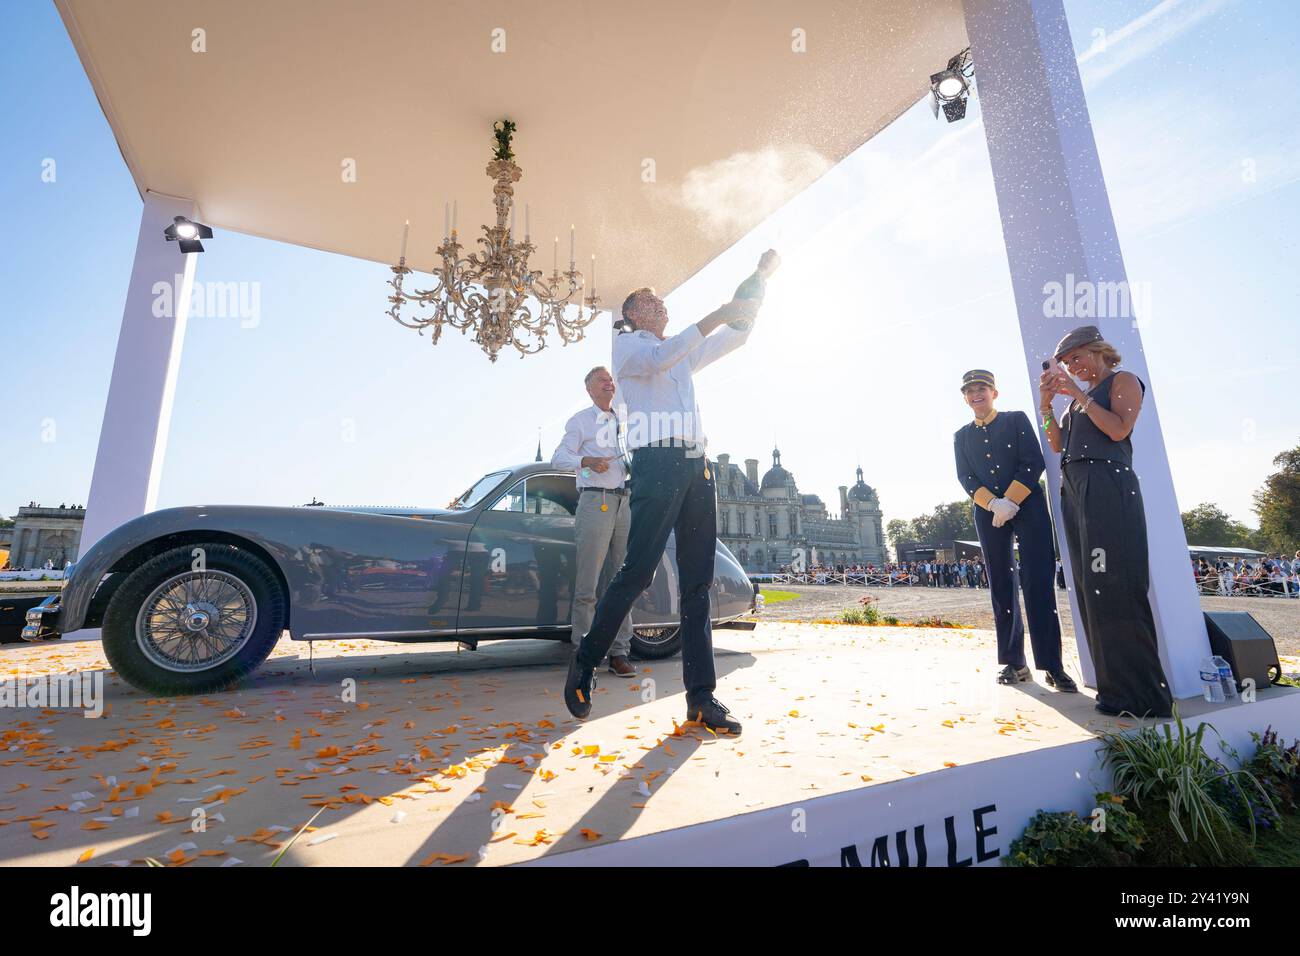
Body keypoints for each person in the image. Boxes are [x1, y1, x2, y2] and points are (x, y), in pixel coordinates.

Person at [563, 250, 778, 734]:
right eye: (653, 302)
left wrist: (757, 282)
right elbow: (667, 352)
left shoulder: (680, 352)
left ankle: (702, 698)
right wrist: (719, 312)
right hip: (655, 465)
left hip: (697, 469)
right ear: (633, 313)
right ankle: (585, 663)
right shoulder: (628, 348)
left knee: (698, 584)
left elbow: (735, 337)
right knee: (637, 571)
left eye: (663, 303)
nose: (663, 306)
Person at [1040, 325, 1173, 718]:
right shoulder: (1074, 404)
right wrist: (1048, 406)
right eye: (1066, 362)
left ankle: (1144, 695)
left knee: (1116, 585)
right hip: (1075, 489)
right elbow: (1056, 444)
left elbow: (1119, 428)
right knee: (1090, 589)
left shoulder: (1124, 380)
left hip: (1108, 485)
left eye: (1077, 357)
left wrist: (1077, 393)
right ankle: (1114, 692)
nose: (1072, 366)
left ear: (1098, 351)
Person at [954, 369, 1075, 691]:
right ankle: (1014, 662)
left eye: (982, 388)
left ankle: (1052, 664)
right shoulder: (961, 435)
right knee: (1001, 586)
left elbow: (1032, 462)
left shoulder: (1016, 419)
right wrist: (993, 504)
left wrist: (1010, 500)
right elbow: (966, 477)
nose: (976, 394)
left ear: (994, 392)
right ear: (964, 397)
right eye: (970, 391)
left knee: (1038, 583)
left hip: (1028, 506)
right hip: (988, 511)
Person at [552, 366, 636, 678]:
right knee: (588, 584)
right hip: (595, 502)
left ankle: (619, 652)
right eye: (602, 380)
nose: (609, 383)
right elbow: (558, 459)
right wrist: (586, 463)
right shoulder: (580, 421)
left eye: (610, 380)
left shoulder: (624, 422)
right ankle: (584, 656)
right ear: (589, 389)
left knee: (622, 582)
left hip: (624, 502)